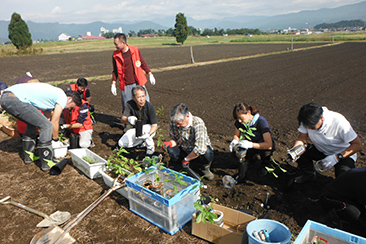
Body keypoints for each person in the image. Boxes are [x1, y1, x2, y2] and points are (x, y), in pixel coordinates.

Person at [0, 83, 81, 171]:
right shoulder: (62, 97)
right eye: (71, 106)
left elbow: (47, 117)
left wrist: (48, 132)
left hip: (6, 98)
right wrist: (56, 139)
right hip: (16, 99)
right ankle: (47, 161)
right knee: (47, 126)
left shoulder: (52, 98)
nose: (69, 109)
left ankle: (29, 156)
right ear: (69, 99)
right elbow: (54, 122)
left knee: (34, 123)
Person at [290, 102, 362, 184]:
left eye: (312, 127)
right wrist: (296, 149)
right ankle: (309, 174)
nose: (309, 128)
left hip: (343, 154)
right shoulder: (307, 119)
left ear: (322, 118)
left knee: (344, 179)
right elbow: (302, 137)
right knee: (300, 153)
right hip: (322, 150)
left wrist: (336, 157)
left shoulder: (339, 123)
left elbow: (358, 145)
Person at [162, 103, 214, 181]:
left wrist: (186, 159)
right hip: (185, 149)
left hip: (199, 154)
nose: (177, 125)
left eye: (179, 123)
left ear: (187, 116)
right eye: (175, 123)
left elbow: (200, 148)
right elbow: (175, 140)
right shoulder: (174, 122)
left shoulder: (197, 123)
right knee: (171, 150)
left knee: (207, 152)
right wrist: (170, 143)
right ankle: (182, 166)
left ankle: (204, 168)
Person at [229, 103, 275, 183]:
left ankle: (265, 163)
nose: (240, 121)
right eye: (237, 119)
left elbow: (269, 145)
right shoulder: (241, 123)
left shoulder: (261, 122)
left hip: (262, 146)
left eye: (241, 118)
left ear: (249, 112)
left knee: (266, 152)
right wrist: (235, 141)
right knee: (238, 153)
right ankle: (253, 159)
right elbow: (237, 134)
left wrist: (250, 144)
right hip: (251, 145)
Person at [111, 33, 156, 110]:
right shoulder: (115, 55)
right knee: (127, 106)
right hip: (125, 84)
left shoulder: (135, 50)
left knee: (145, 103)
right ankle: (128, 121)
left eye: (116, 44)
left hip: (138, 82)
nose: (115, 46)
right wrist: (113, 84)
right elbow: (115, 70)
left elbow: (142, 62)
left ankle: (145, 120)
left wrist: (150, 74)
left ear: (123, 43)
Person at [321, 167, 366, 232]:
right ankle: (331, 219)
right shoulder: (363, 181)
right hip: (330, 197)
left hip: (351, 197)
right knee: (352, 213)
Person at [118, 86, 157, 156]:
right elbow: (123, 119)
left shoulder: (149, 106)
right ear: (134, 98)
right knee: (121, 143)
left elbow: (155, 125)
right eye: (139, 97)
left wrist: (149, 134)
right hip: (136, 129)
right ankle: (141, 142)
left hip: (148, 128)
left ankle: (150, 148)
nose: (142, 99)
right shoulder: (129, 104)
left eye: (143, 96)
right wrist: (128, 119)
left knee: (145, 132)